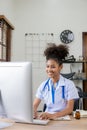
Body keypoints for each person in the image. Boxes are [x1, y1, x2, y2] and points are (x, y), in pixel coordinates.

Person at [33, 43, 79, 120]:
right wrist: (33, 111)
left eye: (53, 67)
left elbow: (69, 109)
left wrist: (53, 115)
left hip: (63, 119)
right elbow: (34, 105)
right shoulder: (43, 85)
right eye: (47, 66)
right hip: (47, 119)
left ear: (60, 67)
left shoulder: (69, 84)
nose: (49, 70)